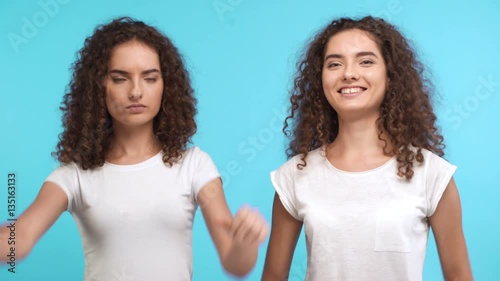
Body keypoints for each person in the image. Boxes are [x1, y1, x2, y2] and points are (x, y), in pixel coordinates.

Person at [0, 17, 268, 280]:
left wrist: (244, 244)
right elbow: (18, 240)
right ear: (98, 87)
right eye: (120, 79)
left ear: (166, 86)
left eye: (150, 78)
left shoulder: (195, 165)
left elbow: (236, 265)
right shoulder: (74, 175)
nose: (136, 92)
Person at [262, 16, 473, 281]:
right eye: (335, 63)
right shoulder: (295, 175)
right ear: (321, 79)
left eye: (366, 61)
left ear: (390, 75)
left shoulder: (431, 174)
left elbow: (459, 276)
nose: (349, 73)